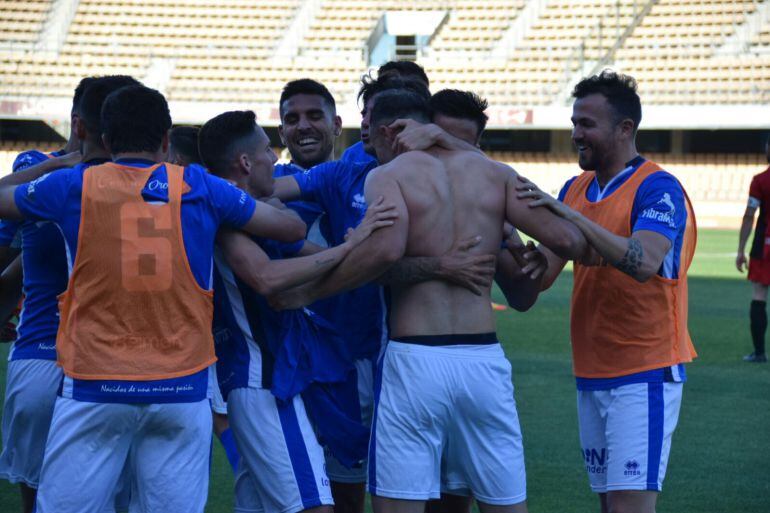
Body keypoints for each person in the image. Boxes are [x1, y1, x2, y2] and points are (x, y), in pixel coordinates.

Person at [273, 89, 587, 513]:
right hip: (484, 361)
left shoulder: (390, 174)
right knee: (505, 504)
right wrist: (519, 246)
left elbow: (383, 254)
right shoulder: (493, 174)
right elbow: (567, 239)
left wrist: (311, 290)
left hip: (417, 359)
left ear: (388, 132)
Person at [0, 84, 306, 512]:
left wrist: (62, 163)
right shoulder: (198, 185)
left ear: (106, 141)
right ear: (166, 140)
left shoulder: (72, 186)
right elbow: (290, 230)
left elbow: (2, 199)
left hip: (95, 387)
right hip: (181, 390)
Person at [516, 70, 697, 513]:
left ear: (625, 129)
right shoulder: (575, 189)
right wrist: (500, 236)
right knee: (608, 505)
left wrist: (571, 219)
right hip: (592, 371)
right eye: (574, 122)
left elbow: (644, 261)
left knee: (629, 507)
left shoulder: (658, 187)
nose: (576, 133)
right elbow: (539, 279)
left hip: (645, 370)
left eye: (587, 124)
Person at [198, 109, 395, 513]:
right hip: (263, 380)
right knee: (314, 507)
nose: (275, 158)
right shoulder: (227, 215)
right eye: (267, 150)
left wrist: (359, 245)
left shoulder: (251, 213)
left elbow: (314, 256)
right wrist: (350, 248)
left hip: (265, 377)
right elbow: (267, 278)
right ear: (246, 163)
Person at [0, 75, 138, 513]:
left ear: (77, 125)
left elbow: (10, 255)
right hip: (120, 361)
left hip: (40, 354)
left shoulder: (35, 172)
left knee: (41, 501)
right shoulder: (148, 182)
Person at [735, 135, 770, 363]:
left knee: (759, 295)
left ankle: (759, 353)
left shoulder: (760, 180)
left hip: (764, 246)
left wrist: (741, 249)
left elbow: (749, 216)